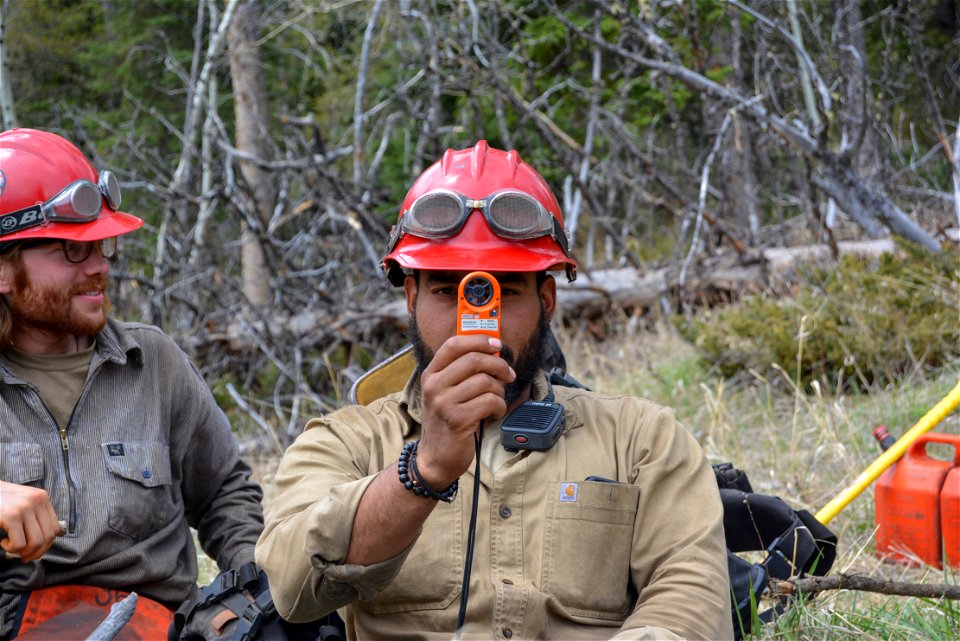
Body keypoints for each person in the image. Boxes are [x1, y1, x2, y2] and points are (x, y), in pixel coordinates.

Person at [256, 140, 733, 640]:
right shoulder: (344, 444)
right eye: (448, 292)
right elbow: (291, 588)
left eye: (503, 292)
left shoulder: (640, 440)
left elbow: (690, 597)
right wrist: (423, 471)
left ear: (546, 299)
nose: (476, 326)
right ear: (411, 297)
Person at [0, 128, 264, 640]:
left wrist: (254, 589)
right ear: (4, 271)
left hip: (161, 623)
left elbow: (226, 493)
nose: (99, 266)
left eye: (100, 245)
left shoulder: (154, 361)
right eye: (69, 251)